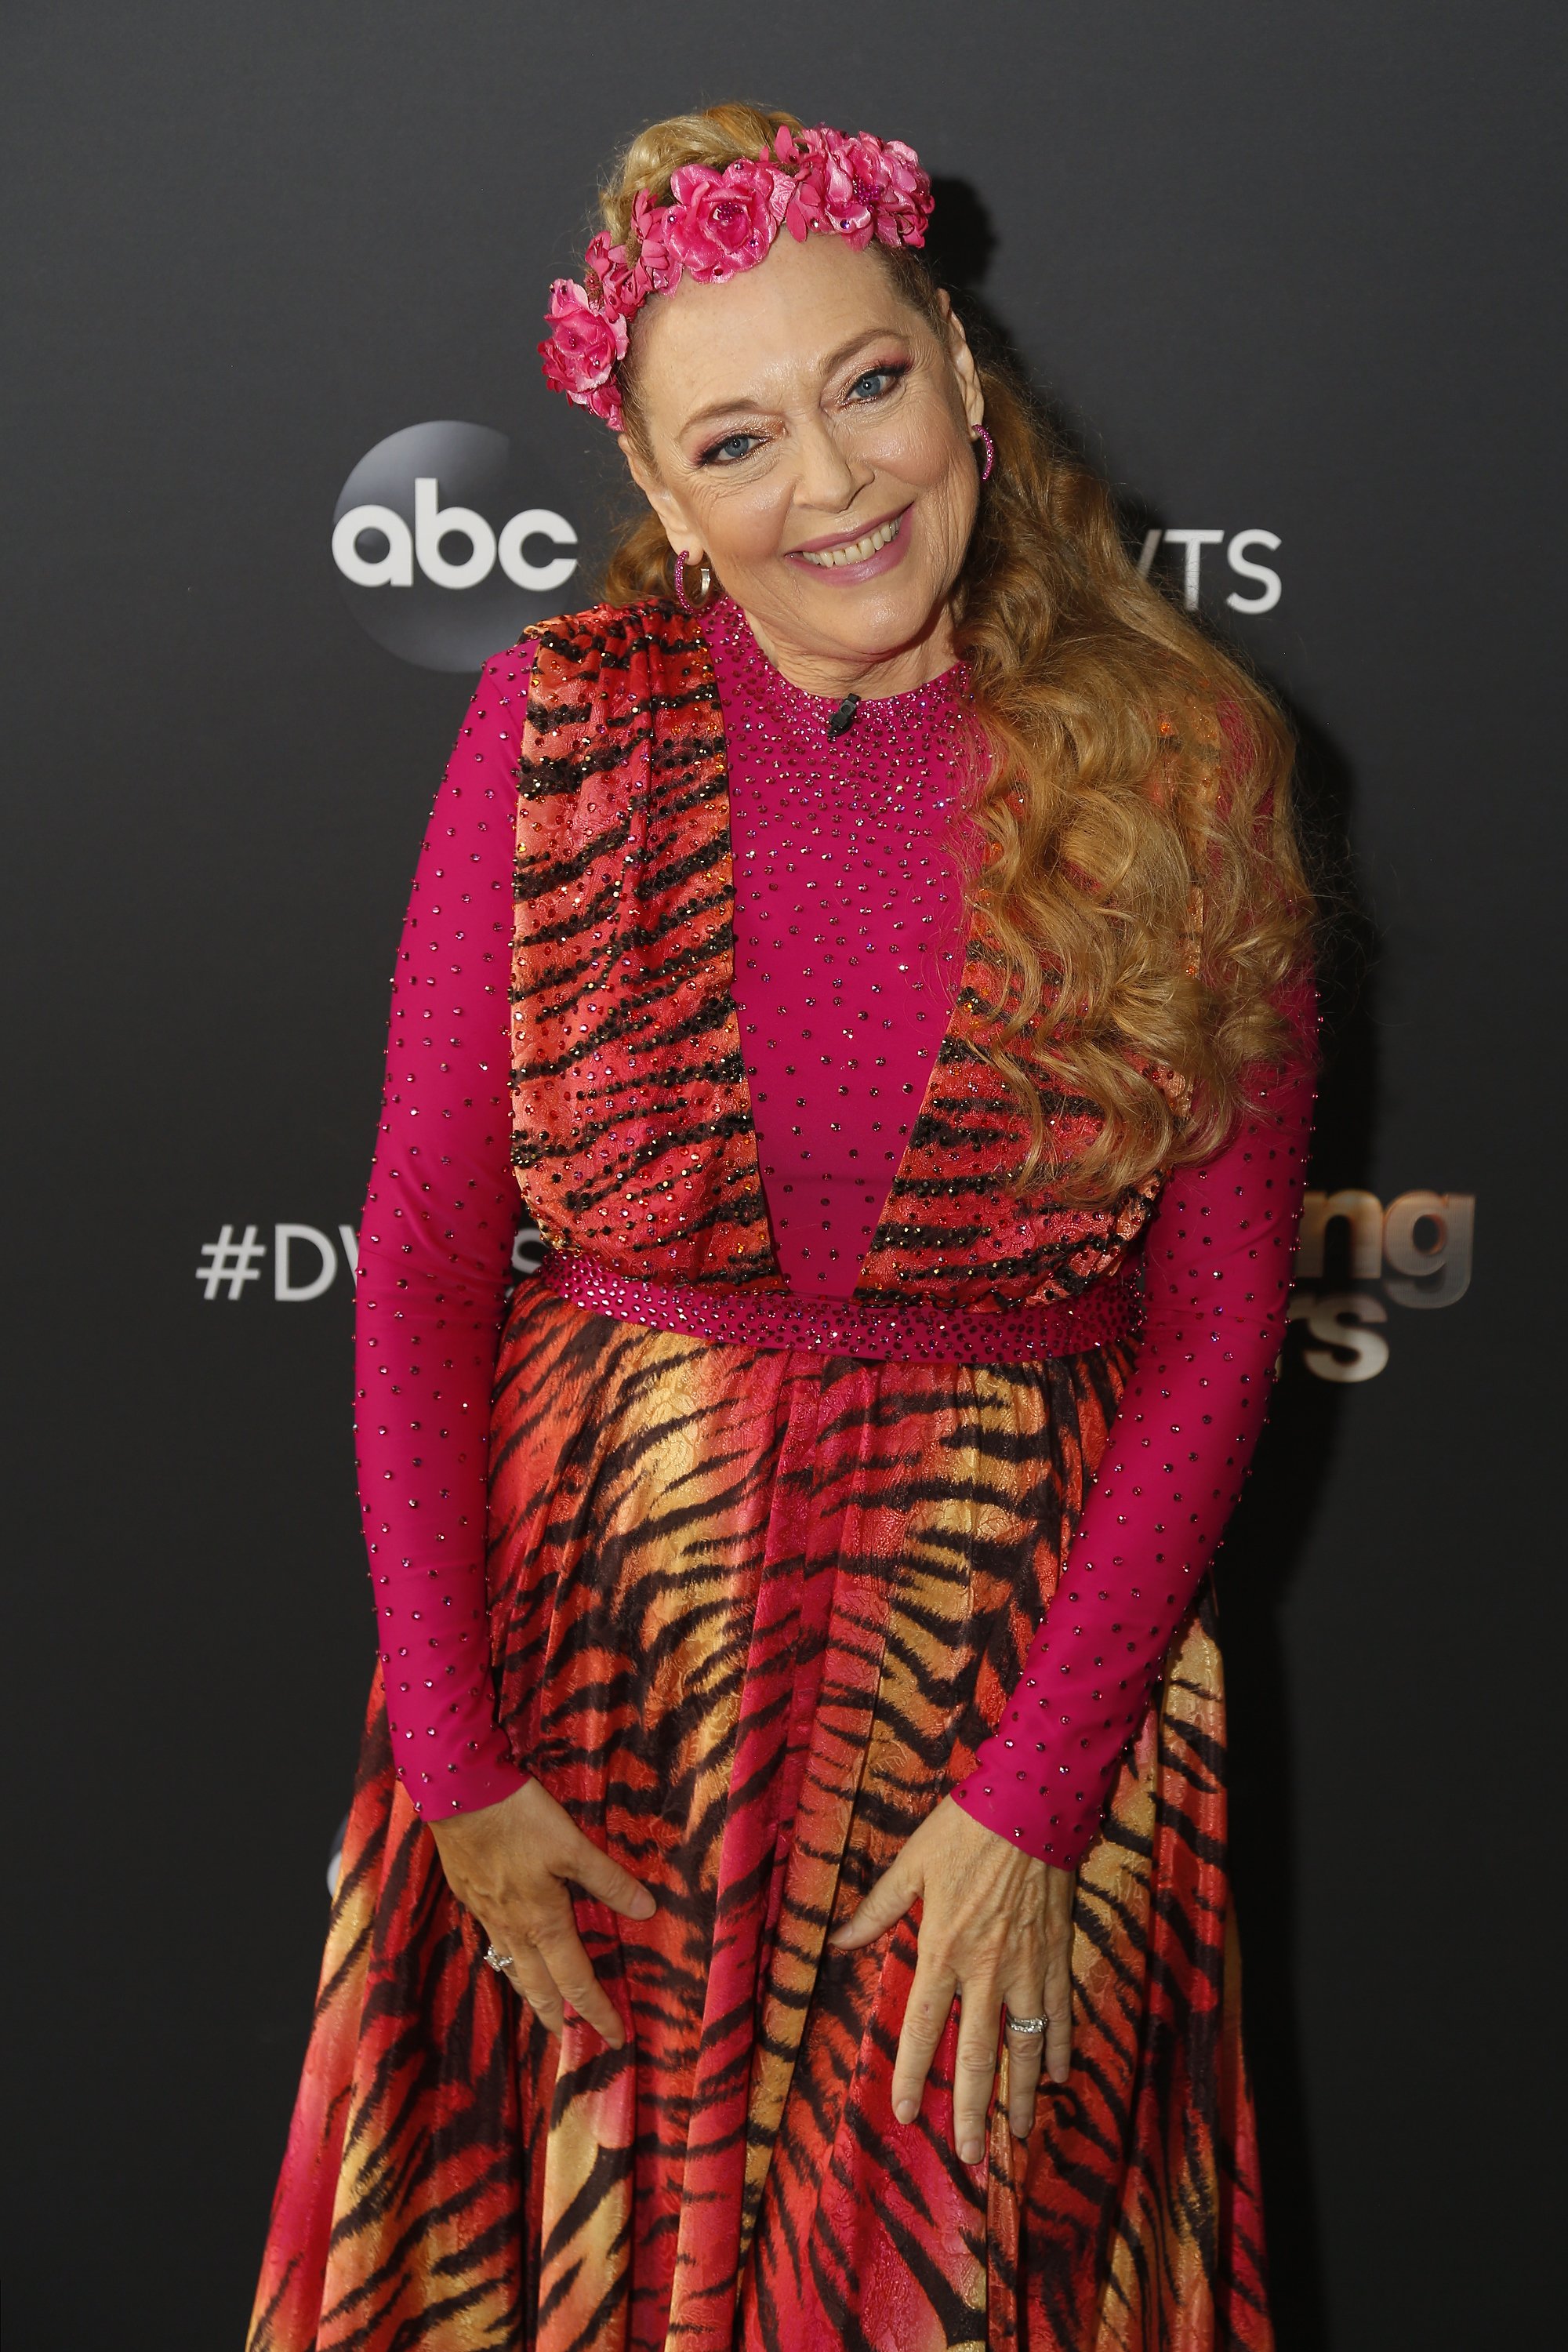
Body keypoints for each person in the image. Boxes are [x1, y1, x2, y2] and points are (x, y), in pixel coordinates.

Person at [249, 103, 1315, 2352]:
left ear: (958, 366)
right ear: (656, 491)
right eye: (735, 437)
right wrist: (456, 1762)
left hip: (1014, 1713)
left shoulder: (1191, 761)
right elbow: (430, 1252)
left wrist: (1040, 1794)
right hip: (587, 1704)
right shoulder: (563, 728)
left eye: (869, 384)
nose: (831, 483)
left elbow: (1220, 1330)